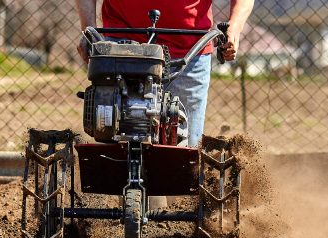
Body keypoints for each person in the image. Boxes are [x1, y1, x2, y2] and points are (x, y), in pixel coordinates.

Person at [75, 0, 254, 147]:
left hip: (189, 49)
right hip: (122, 45)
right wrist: (88, 28)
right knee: (112, 143)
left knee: (185, 154)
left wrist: (234, 27)